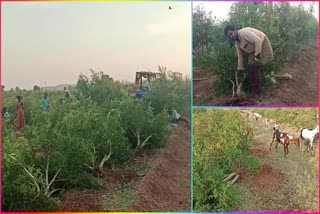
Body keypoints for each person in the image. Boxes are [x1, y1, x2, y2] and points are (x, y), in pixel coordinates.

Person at [224, 26, 274, 101]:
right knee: (251, 69)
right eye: (229, 36)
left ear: (235, 30)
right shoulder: (237, 43)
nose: (231, 37)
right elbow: (240, 56)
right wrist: (240, 69)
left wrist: (257, 56)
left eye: (231, 34)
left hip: (263, 43)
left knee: (255, 68)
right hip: (253, 49)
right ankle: (254, 91)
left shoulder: (244, 33)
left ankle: (258, 93)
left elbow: (258, 41)